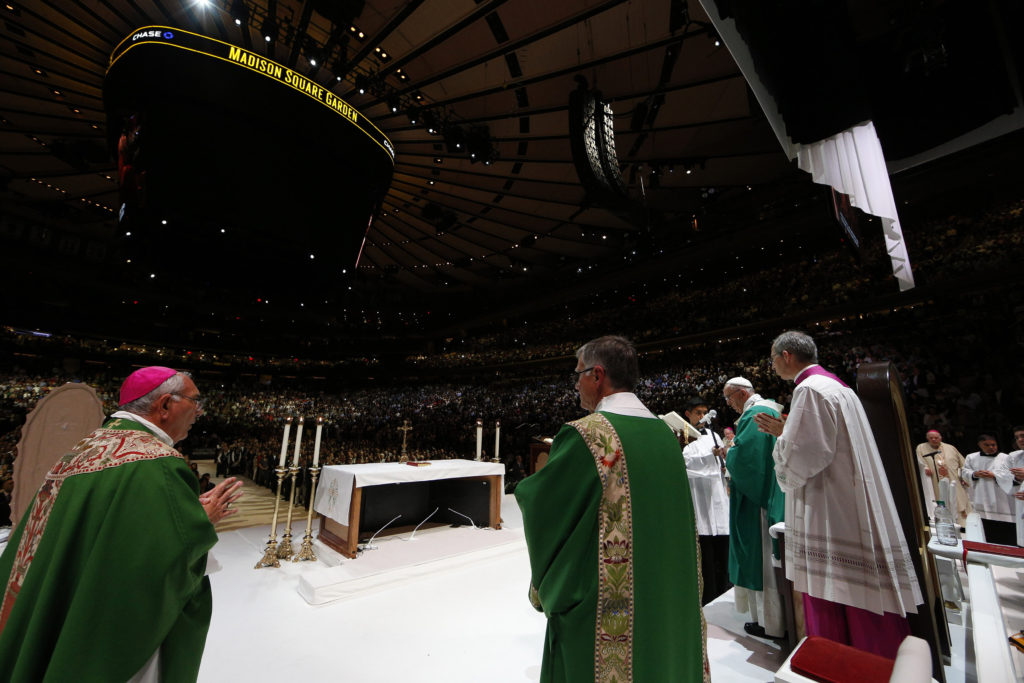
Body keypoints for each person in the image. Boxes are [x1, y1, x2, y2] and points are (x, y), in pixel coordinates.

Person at [0, 366, 242, 682]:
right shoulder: (158, 462)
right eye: (195, 401)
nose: (199, 411)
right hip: (108, 627)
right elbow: (158, 561)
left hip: (53, 589)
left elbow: (111, 521)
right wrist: (200, 523)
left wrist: (178, 513)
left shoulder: (88, 445)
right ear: (166, 405)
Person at [515, 336, 708, 682]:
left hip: (606, 606)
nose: (575, 385)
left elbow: (547, 508)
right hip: (664, 596)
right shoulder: (665, 433)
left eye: (578, 375)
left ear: (597, 375)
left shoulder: (587, 434)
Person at [755, 331, 922, 659]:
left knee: (838, 584)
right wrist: (786, 432)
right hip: (850, 494)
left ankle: (839, 659)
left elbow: (807, 454)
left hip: (830, 502)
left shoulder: (808, 389)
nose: (772, 367)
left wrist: (782, 446)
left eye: (773, 359)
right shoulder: (837, 386)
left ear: (787, 355)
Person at [722, 377, 785, 640]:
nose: (729, 404)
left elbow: (748, 458)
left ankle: (771, 623)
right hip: (767, 492)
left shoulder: (758, 412)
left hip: (759, 500)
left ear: (740, 393)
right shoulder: (763, 410)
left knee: (763, 558)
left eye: (729, 398)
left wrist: (729, 452)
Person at [680, 396, 731, 606]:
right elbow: (682, 461)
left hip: (716, 493)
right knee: (705, 551)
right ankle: (707, 596)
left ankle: (726, 591)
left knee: (723, 546)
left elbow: (722, 462)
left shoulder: (713, 434)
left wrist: (721, 454)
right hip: (697, 493)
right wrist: (708, 457)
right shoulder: (680, 434)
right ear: (688, 414)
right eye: (698, 413)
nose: (702, 416)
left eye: (704, 412)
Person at [961, 434, 1015, 545]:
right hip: (981, 494)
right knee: (985, 523)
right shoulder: (971, 457)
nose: (991, 447)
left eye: (993, 445)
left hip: (1001, 496)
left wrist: (994, 475)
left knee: (1004, 523)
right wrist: (975, 474)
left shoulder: (1005, 457)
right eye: (987, 445)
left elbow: (1012, 474)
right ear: (979, 445)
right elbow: (964, 472)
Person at [915, 429, 971, 526]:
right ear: (927, 438)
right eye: (931, 438)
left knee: (958, 499)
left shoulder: (950, 448)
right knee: (941, 499)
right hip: (935, 481)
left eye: (936, 438)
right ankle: (945, 523)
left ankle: (962, 524)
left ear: (940, 438)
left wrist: (964, 478)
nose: (934, 440)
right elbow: (920, 462)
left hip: (953, 480)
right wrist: (925, 467)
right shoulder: (921, 447)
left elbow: (964, 464)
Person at [1009, 426, 1024, 546]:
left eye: (1022, 436)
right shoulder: (1017, 457)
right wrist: (1018, 479)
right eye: (1017, 437)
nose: (1020, 440)